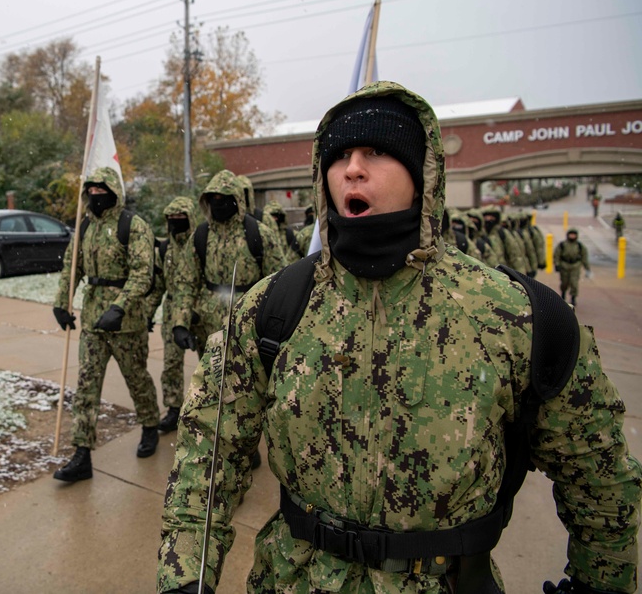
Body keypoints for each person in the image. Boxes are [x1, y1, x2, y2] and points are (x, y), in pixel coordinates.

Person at [157, 81, 640, 593]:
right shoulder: (273, 309)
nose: (352, 168)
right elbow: (207, 458)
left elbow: (598, 478)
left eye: (378, 151)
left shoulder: (515, 317)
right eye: (339, 154)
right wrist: (186, 577)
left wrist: (600, 582)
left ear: (423, 175)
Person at [51, 166, 161, 482]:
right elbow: (72, 268)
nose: (97, 196)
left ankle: (150, 425)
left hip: (127, 322)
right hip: (93, 322)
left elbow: (144, 273)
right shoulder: (84, 227)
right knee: (86, 385)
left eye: (103, 191)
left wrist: (120, 307)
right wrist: (61, 302)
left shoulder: (133, 226)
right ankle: (82, 453)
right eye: (92, 191)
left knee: (137, 378)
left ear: (114, 192)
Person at [167, 169, 286, 359]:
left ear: (236, 200)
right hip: (209, 330)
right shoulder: (201, 236)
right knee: (211, 383)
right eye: (213, 198)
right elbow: (185, 281)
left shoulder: (258, 234)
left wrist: (275, 326)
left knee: (247, 383)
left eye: (224, 198)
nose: (218, 203)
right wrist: (180, 323)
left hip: (250, 328)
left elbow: (280, 283)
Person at [154, 196, 199, 433]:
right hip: (172, 311)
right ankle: (173, 408)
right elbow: (157, 285)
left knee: (210, 363)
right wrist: (148, 312)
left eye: (180, 218)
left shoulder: (200, 243)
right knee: (171, 363)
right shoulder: (164, 249)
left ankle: (209, 408)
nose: (175, 222)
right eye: (171, 218)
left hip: (200, 311)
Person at [554, 228, 592, 307]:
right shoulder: (562, 245)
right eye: (571, 234)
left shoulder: (580, 246)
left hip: (575, 266)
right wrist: (557, 264)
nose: (572, 236)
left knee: (574, 283)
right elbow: (557, 255)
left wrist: (587, 268)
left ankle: (573, 298)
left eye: (574, 235)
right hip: (564, 266)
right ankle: (563, 294)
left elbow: (584, 257)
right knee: (564, 282)